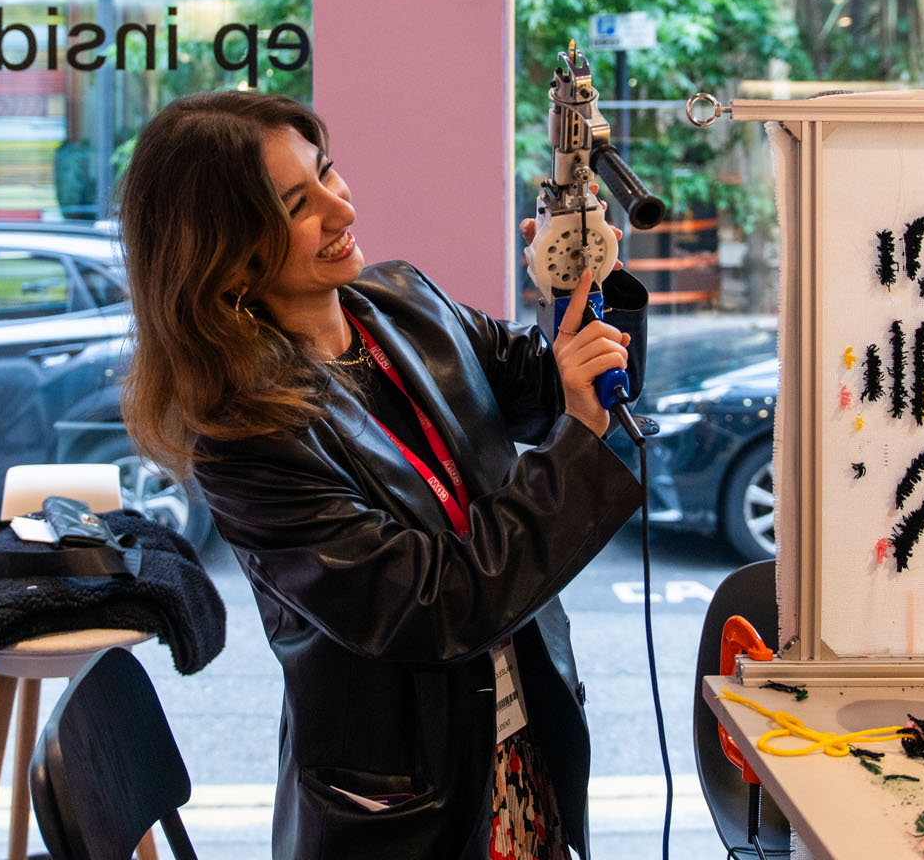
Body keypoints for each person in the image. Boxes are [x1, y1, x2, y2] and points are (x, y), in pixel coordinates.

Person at [118, 90, 648, 860]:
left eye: (328, 174)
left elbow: (545, 385)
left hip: (523, 736)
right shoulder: (245, 439)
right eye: (299, 204)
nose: (340, 209)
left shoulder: (403, 304)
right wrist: (581, 437)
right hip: (409, 809)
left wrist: (585, 288)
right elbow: (436, 605)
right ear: (226, 254)